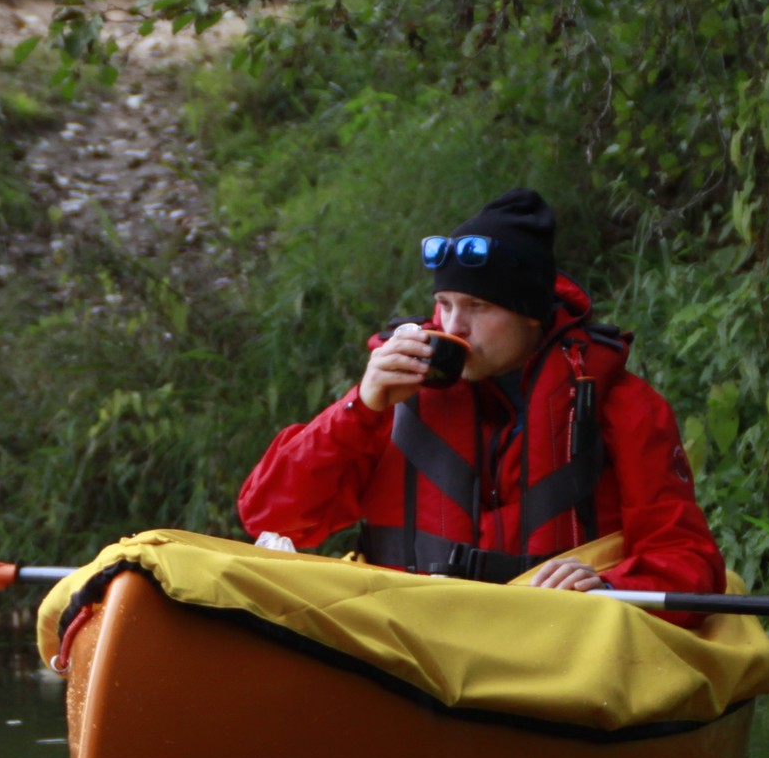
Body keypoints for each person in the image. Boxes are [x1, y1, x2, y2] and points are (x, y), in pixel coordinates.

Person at [237, 189, 725, 604]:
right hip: (404, 631)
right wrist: (359, 408)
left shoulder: (624, 406)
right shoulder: (391, 392)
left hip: (553, 639)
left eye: (478, 307)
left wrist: (606, 584)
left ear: (531, 314)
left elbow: (687, 560)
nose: (453, 327)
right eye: (445, 304)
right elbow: (271, 518)